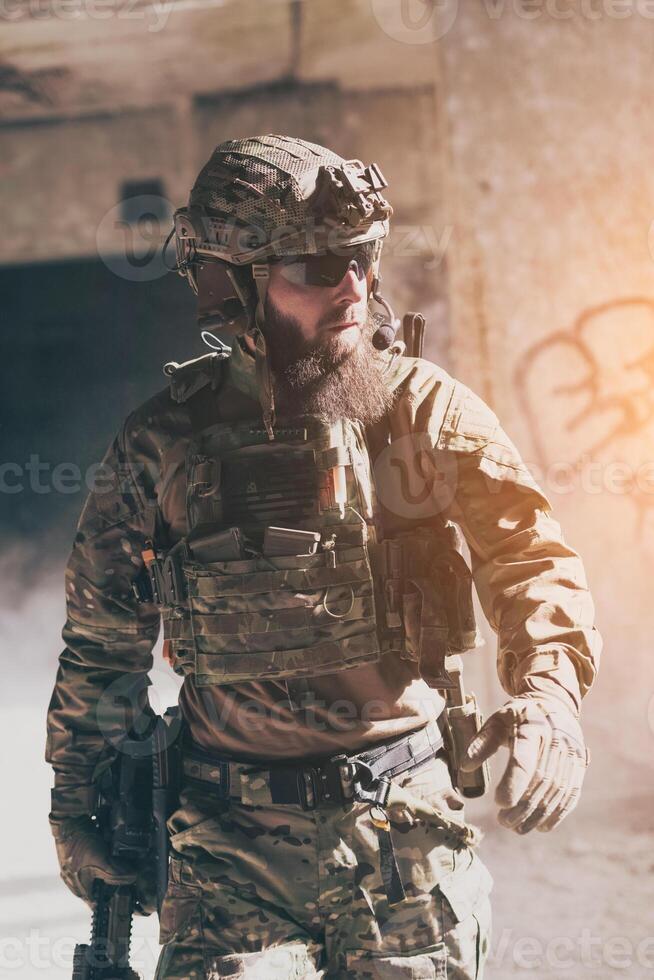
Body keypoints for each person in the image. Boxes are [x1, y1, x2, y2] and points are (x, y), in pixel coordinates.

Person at [46, 134, 601, 980]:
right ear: (231, 283)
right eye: (314, 265)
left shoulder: (422, 412)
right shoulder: (161, 446)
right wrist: (75, 801)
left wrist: (550, 694)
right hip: (224, 848)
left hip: (401, 833)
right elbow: (102, 642)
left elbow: (529, 560)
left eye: (362, 258)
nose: (354, 287)